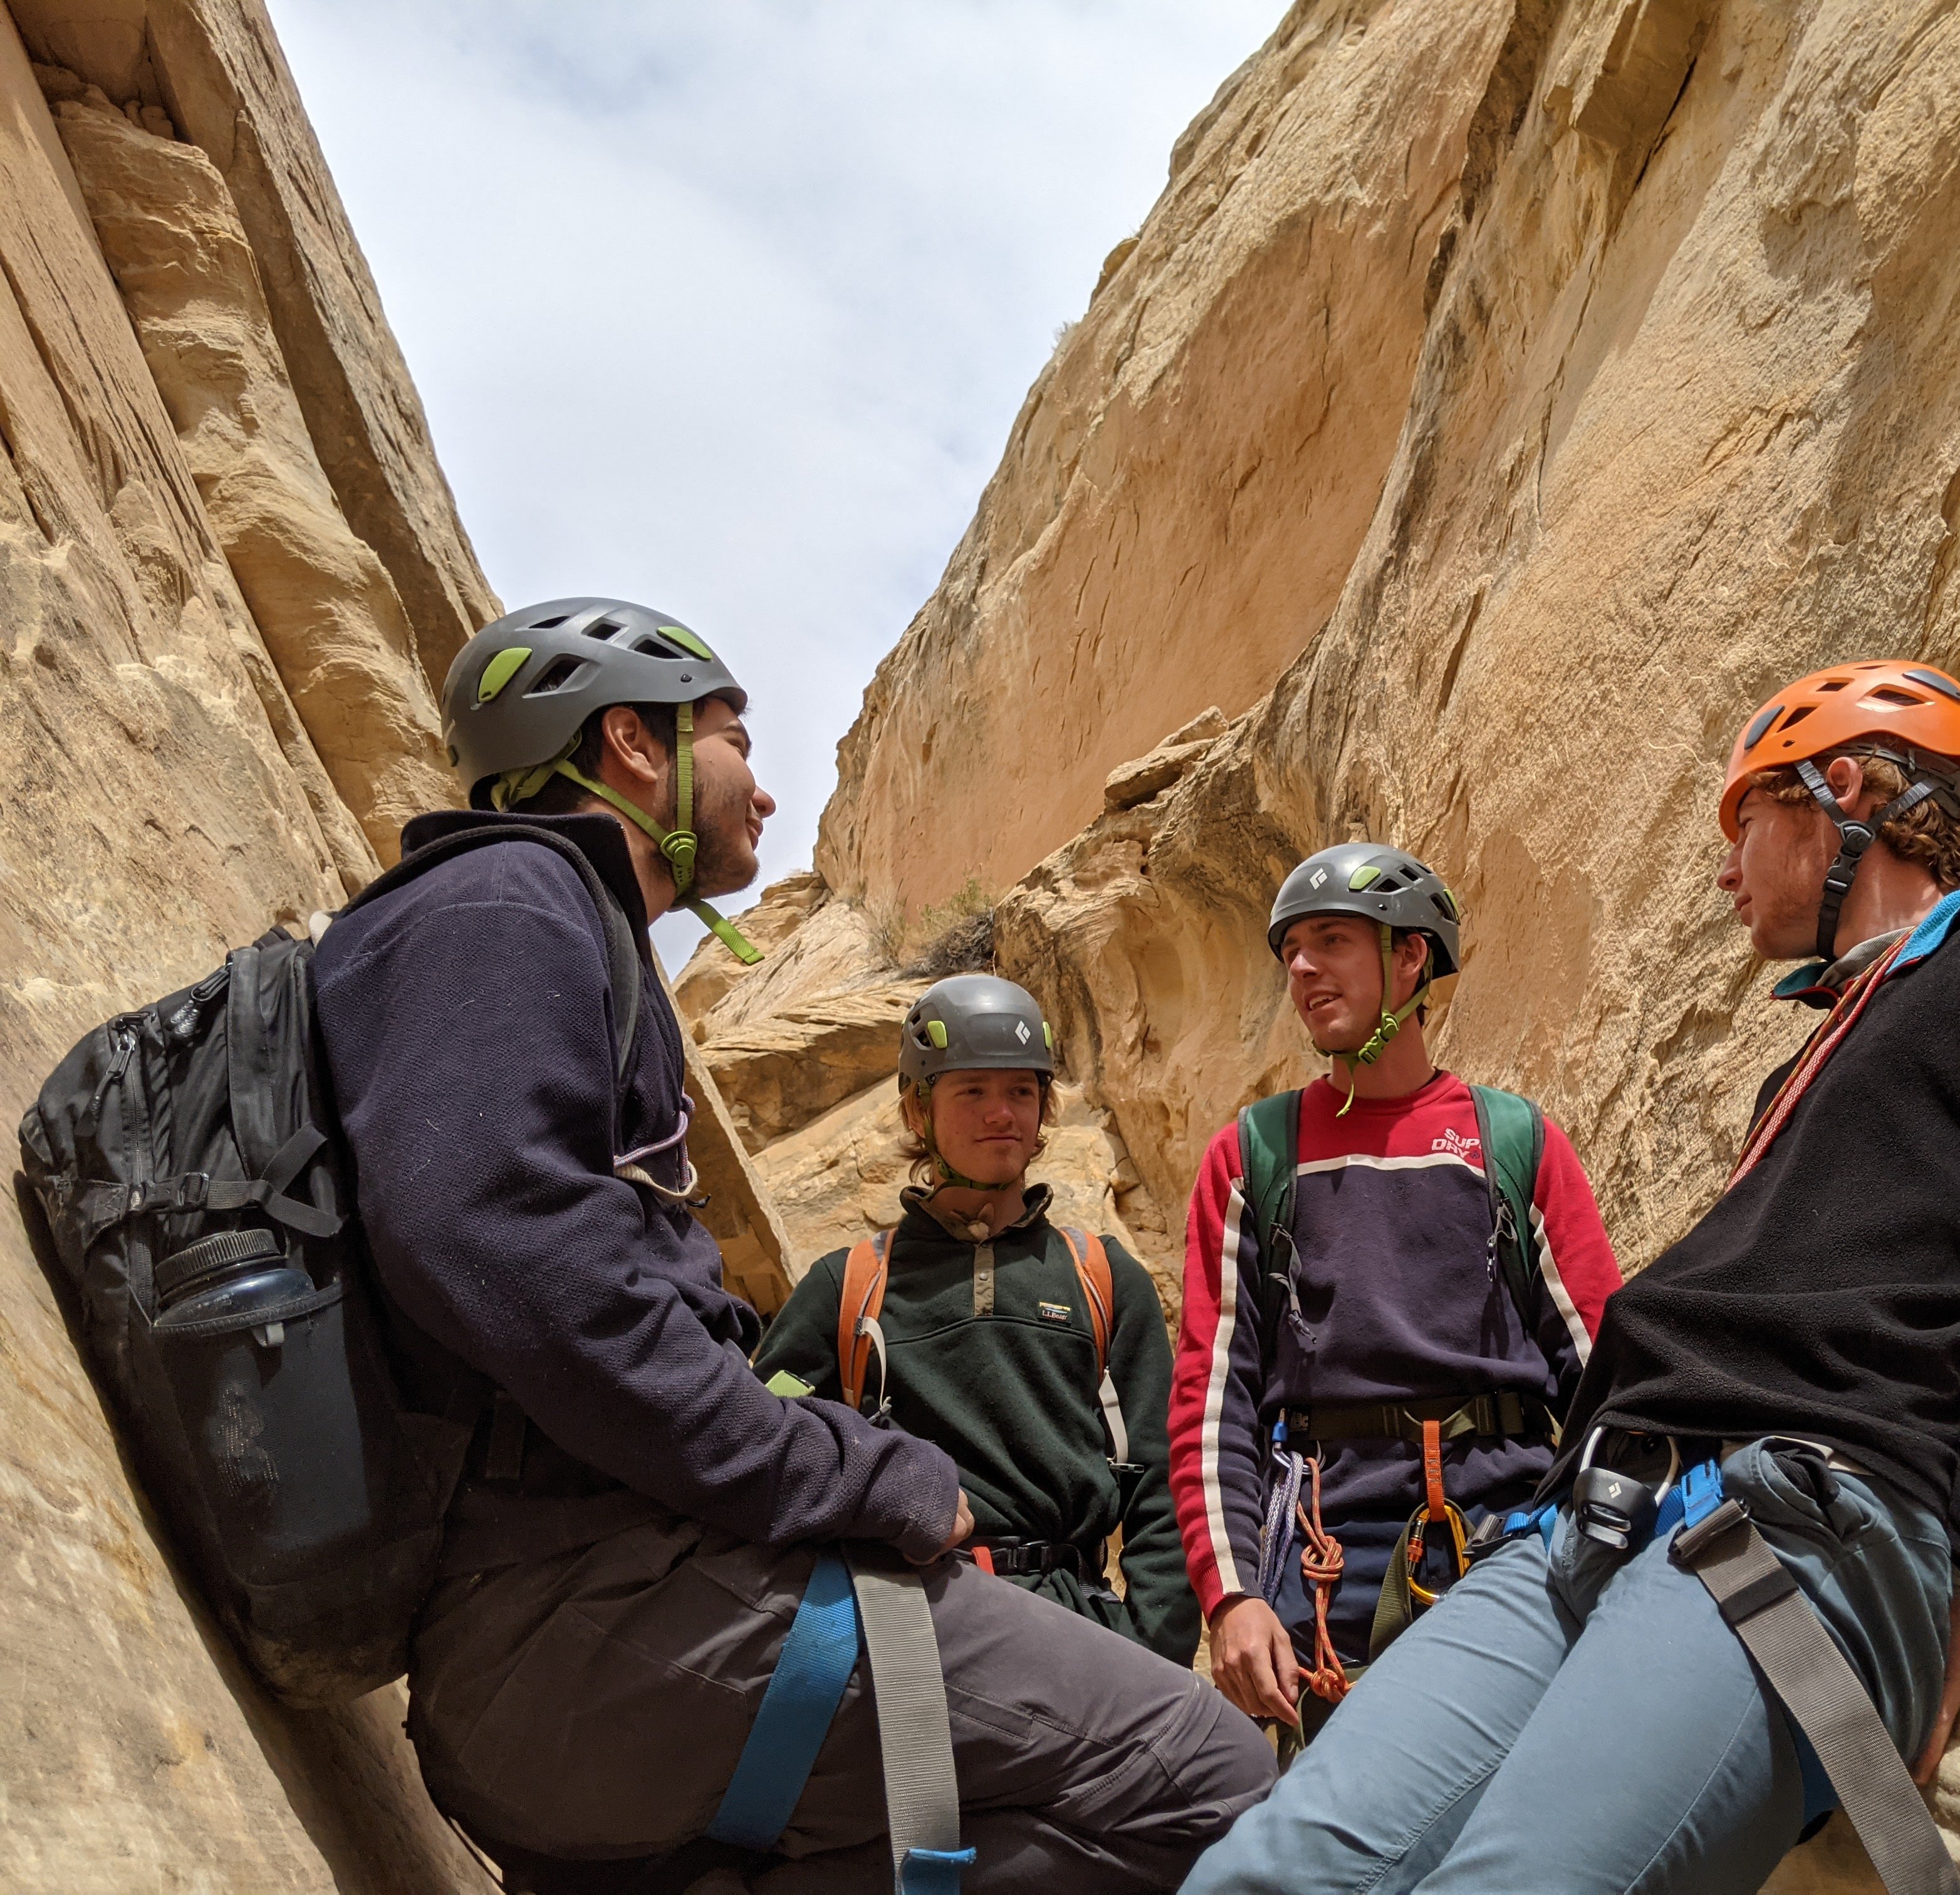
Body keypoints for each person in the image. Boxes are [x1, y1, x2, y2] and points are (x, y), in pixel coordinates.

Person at [1177, 661, 1960, 1894]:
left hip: (1793, 1525)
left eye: (1745, 826)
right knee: (1257, 1876)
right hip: (1577, 1529)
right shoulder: (1801, 1075)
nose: (1726, 874)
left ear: (1837, 791)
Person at [313, 598, 1271, 1891]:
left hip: (582, 1638)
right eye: (731, 739)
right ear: (632, 746)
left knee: (1055, 1821)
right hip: (584, 1612)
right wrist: (852, 1473)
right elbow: (502, 1245)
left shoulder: (537, 922)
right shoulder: (511, 895)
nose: (759, 792)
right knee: (1212, 1778)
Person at [1168, 842, 1624, 1740]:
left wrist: (1611, 1559)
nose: (1301, 968)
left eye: (1333, 939)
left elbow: (1609, 1374)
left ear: (1411, 956)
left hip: (1511, 1542)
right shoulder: (1252, 1155)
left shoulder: (1514, 1141)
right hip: (1324, 1571)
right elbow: (1213, 1399)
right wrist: (1230, 1598)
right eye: (1291, 948)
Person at [754, 974, 1197, 1663]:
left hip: (1073, 1629)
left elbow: (1164, 1477)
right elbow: (765, 1428)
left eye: (1022, 1091)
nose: (1003, 1114)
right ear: (916, 1111)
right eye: (972, 1091)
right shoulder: (848, 1288)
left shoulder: (1103, 1278)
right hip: (906, 1624)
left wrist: (1150, 1645)